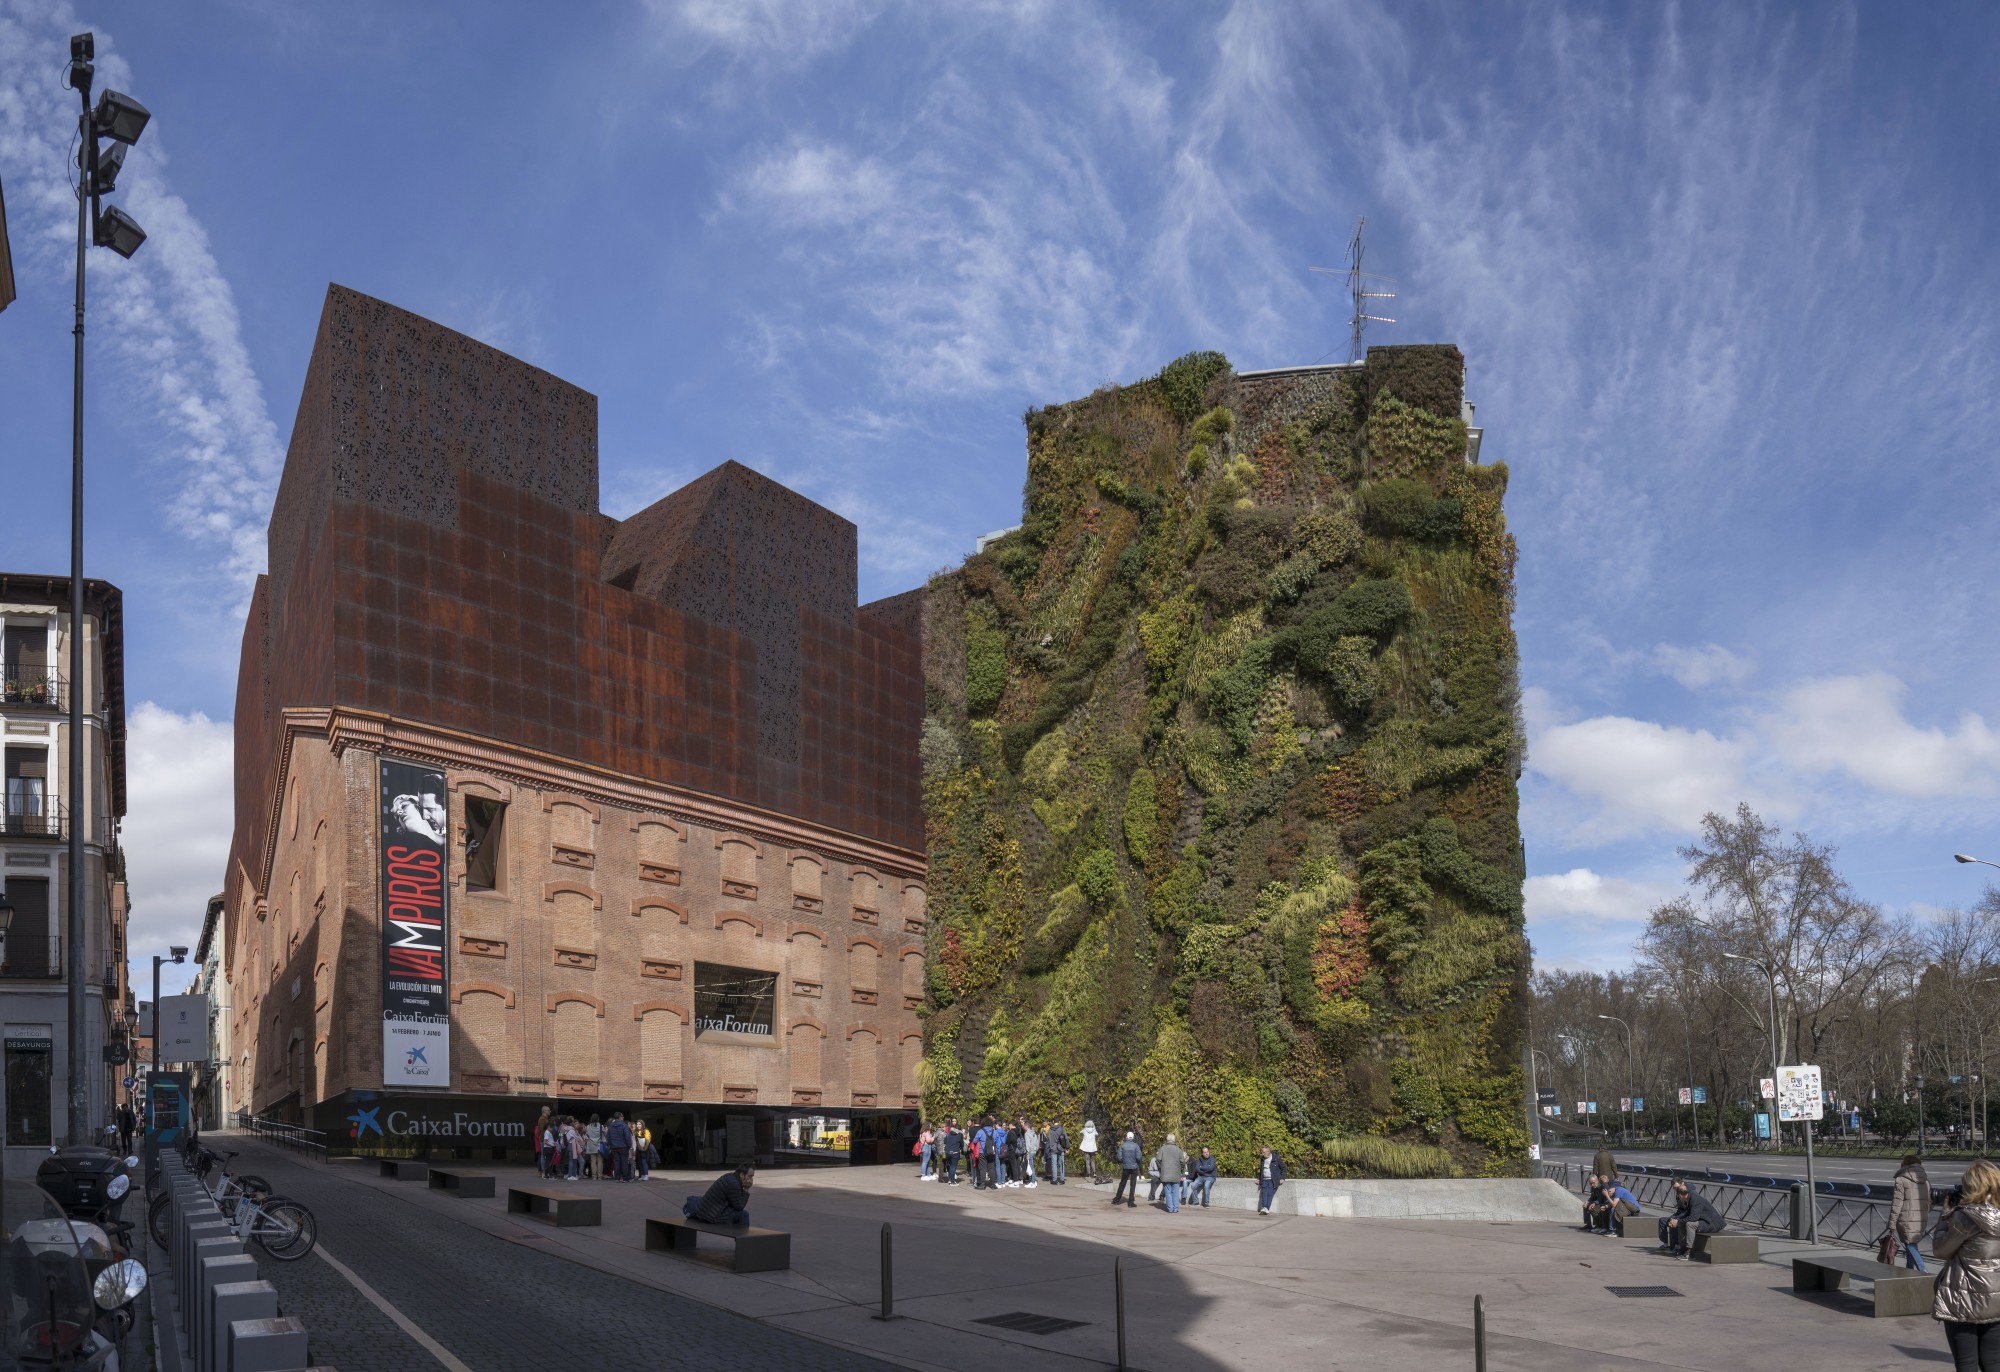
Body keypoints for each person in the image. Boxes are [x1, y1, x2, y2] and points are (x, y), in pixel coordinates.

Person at [1931, 1157, 2000, 1370]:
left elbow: (1940, 1250)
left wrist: (1945, 1216)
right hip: (1997, 1298)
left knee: (1967, 1363)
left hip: (1963, 1298)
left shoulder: (1965, 1218)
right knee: (1993, 1363)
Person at [1658, 1179, 1723, 1259]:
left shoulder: (1695, 1199)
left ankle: (1689, 1252)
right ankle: (1682, 1249)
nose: (1678, 1198)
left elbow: (1693, 1218)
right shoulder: (1688, 1199)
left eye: (1678, 1195)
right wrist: (1676, 1221)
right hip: (1703, 1221)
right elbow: (1688, 1215)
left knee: (1690, 1224)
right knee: (1682, 1223)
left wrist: (1677, 1221)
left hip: (1712, 1223)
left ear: (1681, 1195)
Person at [1892, 1154, 1934, 1272]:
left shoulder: (1901, 1180)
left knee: (1910, 1244)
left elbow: (1896, 1204)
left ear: (1904, 1164)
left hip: (1905, 1218)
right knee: (1910, 1244)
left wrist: (1891, 1224)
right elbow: (1931, 1201)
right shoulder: (1926, 1181)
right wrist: (1925, 1212)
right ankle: (1909, 1271)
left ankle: (1923, 1271)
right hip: (1921, 1219)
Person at [686, 1163, 755, 1226]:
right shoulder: (734, 1184)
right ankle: (744, 1238)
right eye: (750, 1176)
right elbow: (740, 1206)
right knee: (744, 1214)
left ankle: (738, 1235)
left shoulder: (730, 1176)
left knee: (735, 1213)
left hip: (705, 1211)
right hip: (710, 1215)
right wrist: (746, 1189)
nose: (751, 1179)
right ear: (742, 1175)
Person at [1156, 1134, 1187, 1214]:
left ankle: (1170, 1208)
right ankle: (1175, 1208)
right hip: (1176, 1173)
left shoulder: (1162, 1149)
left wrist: (1161, 1168)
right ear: (1174, 1140)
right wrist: (1180, 1170)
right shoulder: (1178, 1149)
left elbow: (1158, 1160)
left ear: (1167, 1140)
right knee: (1175, 1191)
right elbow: (1182, 1162)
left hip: (1165, 1173)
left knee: (1168, 1191)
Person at [1112, 1131, 1143, 1208]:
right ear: (1132, 1138)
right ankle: (1130, 1202)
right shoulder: (1136, 1146)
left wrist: (1124, 1160)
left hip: (1126, 1167)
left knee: (1122, 1183)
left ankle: (1116, 1200)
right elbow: (1139, 1157)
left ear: (1126, 1137)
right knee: (1133, 1185)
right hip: (1134, 1167)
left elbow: (1119, 1157)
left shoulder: (1122, 1146)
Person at [1256, 1144, 1287, 1216]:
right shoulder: (1262, 1159)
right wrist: (1259, 1179)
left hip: (1273, 1180)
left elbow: (1284, 1168)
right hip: (1264, 1179)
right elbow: (1261, 1170)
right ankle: (1264, 1208)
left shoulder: (1276, 1158)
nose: (1262, 1154)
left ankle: (1266, 1208)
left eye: (1264, 1152)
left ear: (1268, 1152)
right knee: (1264, 1193)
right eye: (1262, 1152)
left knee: (1269, 1194)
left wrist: (1282, 1178)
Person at [606, 1112, 634, 1182]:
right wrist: (629, 1145)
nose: (623, 1118)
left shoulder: (611, 1126)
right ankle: (625, 1178)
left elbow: (608, 1137)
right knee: (624, 1162)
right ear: (620, 1117)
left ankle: (617, 1178)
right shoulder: (624, 1125)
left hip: (614, 1147)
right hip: (623, 1147)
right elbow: (627, 1137)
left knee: (616, 1162)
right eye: (622, 1116)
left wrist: (610, 1145)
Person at [1047, 1119, 1068, 1185]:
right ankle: (1062, 1180)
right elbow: (1066, 1138)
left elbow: (1049, 1140)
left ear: (1053, 1121)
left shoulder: (1050, 1130)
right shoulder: (1062, 1129)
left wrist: (1051, 1147)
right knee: (1061, 1164)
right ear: (1059, 1122)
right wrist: (1067, 1147)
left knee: (1054, 1164)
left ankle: (1054, 1179)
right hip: (1061, 1148)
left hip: (1053, 1148)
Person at [941, 1120, 963, 1184]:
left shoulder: (948, 1134)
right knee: (953, 1166)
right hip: (955, 1152)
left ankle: (950, 1179)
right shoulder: (959, 1135)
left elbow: (945, 1142)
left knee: (949, 1165)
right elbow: (962, 1144)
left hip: (947, 1152)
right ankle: (952, 1181)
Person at [586, 1114, 605, 1180]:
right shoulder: (601, 1126)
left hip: (591, 1145)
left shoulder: (588, 1127)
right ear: (598, 1119)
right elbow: (604, 1134)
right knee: (600, 1161)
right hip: (599, 1145)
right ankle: (599, 1176)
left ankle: (594, 1176)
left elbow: (587, 1135)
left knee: (593, 1161)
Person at [1022, 1120, 1041, 1188]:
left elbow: (1027, 1145)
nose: (1023, 1127)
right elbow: (1036, 1143)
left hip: (1030, 1151)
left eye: (1024, 1126)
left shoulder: (1027, 1133)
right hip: (1034, 1150)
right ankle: (1033, 1181)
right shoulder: (1034, 1133)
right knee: (1032, 1166)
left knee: (1031, 1166)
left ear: (1027, 1126)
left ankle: (1032, 1182)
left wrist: (1027, 1153)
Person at [1081, 1119, 1100, 1183]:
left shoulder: (1084, 1130)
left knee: (1087, 1161)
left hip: (1086, 1149)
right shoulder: (1094, 1131)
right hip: (1092, 1149)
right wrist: (1094, 1128)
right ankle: (1094, 1173)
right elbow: (1097, 1134)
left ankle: (1088, 1174)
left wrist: (1084, 1128)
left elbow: (1080, 1132)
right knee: (1092, 1161)